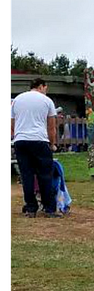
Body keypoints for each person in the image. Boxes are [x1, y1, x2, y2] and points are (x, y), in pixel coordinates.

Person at [11, 76, 59, 216]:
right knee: (45, 175)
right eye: (46, 88)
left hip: (21, 141)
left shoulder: (17, 99)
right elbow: (51, 127)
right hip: (39, 140)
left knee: (27, 175)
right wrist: (52, 143)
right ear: (41, 86)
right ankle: (49, 208)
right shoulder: (47, 101)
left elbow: (11, 123)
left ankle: (31, 208)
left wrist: (18, 136)